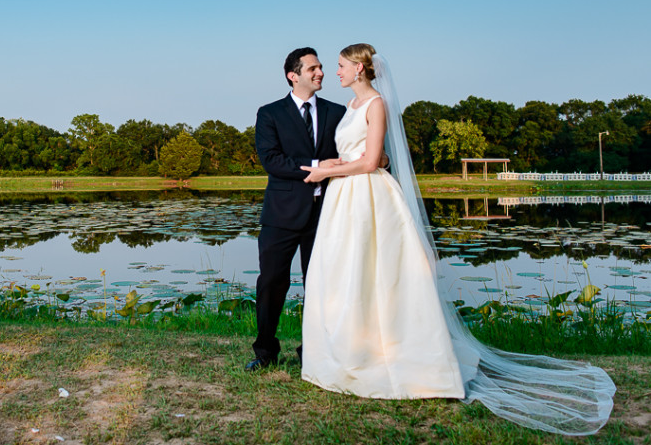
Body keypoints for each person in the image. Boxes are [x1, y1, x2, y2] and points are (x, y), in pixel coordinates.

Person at [299, 43, 615, 435]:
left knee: (382, 274)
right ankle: (349, 350)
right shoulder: (349, 107)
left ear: (361, 69)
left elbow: (371, 161)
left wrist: (327, 173)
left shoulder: (376, 105)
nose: (337, 72)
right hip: (346, 199)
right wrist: (331, 163)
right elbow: (358, 154)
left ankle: (400, 356)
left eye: (342, 66)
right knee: (346, 273)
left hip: (369, 197)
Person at [245, 47, 347, 371]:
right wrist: (317, 165)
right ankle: (265, 352)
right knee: (272, 282)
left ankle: (313, 351)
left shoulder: (337, 112)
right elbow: (271, 161)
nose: (321, 73)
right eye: (313, 68)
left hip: (326, 214)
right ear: (294, 75)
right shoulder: (270, 113)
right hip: (281, 215)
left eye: (321, 67)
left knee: (320, 286)